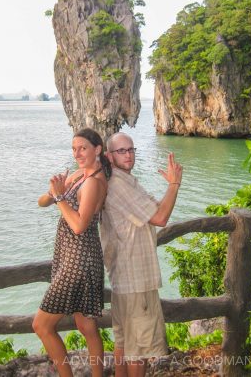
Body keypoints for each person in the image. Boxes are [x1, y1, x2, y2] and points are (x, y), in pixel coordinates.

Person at [101, 132, 183, 377]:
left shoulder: (125, 181)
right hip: (135, 278)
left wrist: (168, 190)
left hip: (125, 278)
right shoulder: (117, 184)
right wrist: (174, 184)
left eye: (131, 149)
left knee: (124, 342)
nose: (128, 155)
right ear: (109, 155)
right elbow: (160, 217)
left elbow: (154, 208)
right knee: (140, 350)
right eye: (121, 151)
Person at [32, 128, 111, 377]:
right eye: (74, 148)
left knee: (41, 326)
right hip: (74, 257)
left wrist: (59, 197)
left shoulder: (93, 183)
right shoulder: (79, 175)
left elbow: (78, 226)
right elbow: (41, 202)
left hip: (79, 261)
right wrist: (53, 191)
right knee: (86, 325)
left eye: (83, 148)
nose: (77, 153)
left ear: (97, 149)